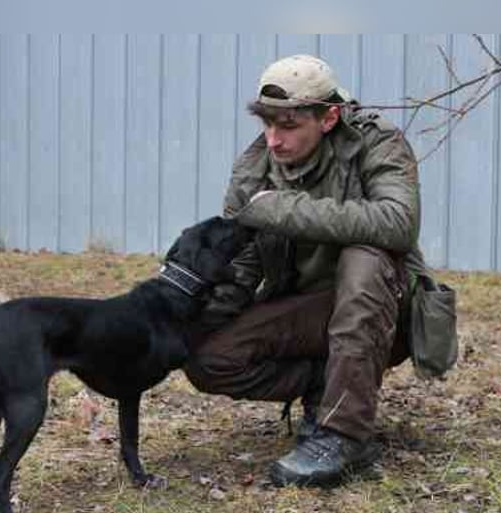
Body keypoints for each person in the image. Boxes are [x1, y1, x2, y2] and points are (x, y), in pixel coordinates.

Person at [184, 54, 431, 487]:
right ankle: (332, 387)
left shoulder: (378, 142)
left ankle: (343, 436)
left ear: (329, 117)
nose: (274, 140)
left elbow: (398, 222)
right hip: (308, 311)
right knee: (207, 359)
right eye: (267, 124)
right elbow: (241, 261)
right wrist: (185, 322)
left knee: (366, 257)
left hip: (387, 311)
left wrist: (281, 210)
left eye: (289, 126)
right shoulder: (257, 166)